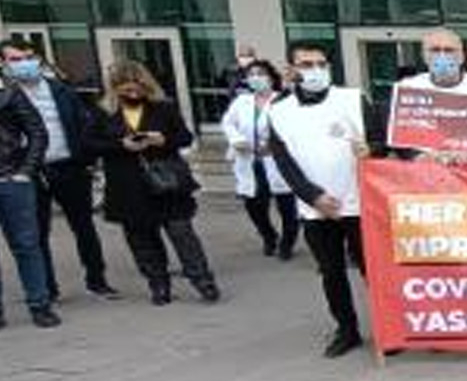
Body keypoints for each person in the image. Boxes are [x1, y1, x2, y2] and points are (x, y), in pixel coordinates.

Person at [270, 43, 387, 358]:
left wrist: (372, 149)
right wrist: (313, 196)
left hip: (359, 202)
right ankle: (346, 330)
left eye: (321, 64)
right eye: (306, 64)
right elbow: (284, 162)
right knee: (331, 272)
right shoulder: (279, 111)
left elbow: (379, 140)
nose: (315, 71)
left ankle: (387, 328)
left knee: (373, 270)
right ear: (291, 69)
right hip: (316, 208)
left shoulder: (352, 99)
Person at [86, 60, 218, 306]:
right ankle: (158, 284)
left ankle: (203, 280)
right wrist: (120, 145)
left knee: (182, 233)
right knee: (141, 238)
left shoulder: (163, 107)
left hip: (167, 181)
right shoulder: (102, 111)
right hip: (127, 184)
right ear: (114, 87)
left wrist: (163, 140)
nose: (132, 91)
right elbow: (89, 143)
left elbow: (185, 137)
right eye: (125, 87)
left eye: (136, 85)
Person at [2, 38, 118, 301]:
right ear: (4, 64)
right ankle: (47, 289)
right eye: (16, 59)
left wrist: (87, 159)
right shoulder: (6, 95)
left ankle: (97, 280)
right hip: (28, 172)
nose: (24, 64)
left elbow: (83, 124)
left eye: (29, 57)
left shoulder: (61, 90)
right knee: (37, 234)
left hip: (68, 166)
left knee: (84, 226)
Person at [221, 60, 299, 261]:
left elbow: (294, 129)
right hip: (249, 160)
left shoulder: (284, 100)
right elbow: (228, 123)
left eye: (260, 73)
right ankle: (269, 236)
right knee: (254, 206)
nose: (255, 78)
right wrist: (237, 140)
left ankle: (287, 243)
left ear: (271, 77)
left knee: (286, 206)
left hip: (276, 161)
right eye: (251, 74)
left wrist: (274, 146)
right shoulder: (242, 101)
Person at [0, 71, 60, 328]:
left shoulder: (9, 92)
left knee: (26, 245)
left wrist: (25, 171)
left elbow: (38, 133)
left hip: (11, 179)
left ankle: (40, 305)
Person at [392, 28, 467, 165]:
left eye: (449, 50)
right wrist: (417, 156)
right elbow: (399, 136)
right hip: (422, 171)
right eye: (435, 50)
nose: (442, 55)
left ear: (461, 56)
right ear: (424, 56)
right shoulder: (407, 88)